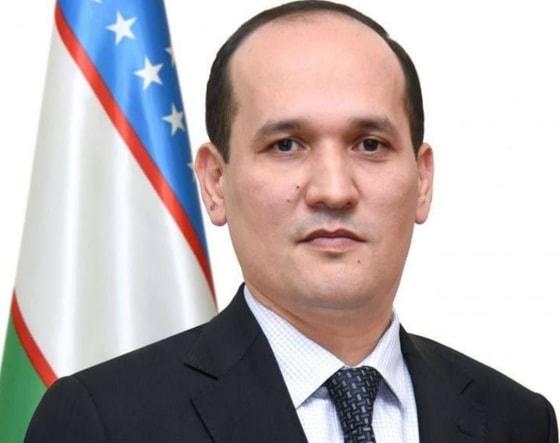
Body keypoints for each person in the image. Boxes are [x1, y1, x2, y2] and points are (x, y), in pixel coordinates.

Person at [25, 1, 558, 442]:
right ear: (215, 183)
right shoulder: (102, 422)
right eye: (286, 145)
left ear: (422, 181)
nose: (333, 190)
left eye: (370, 144)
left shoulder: (518, 421)